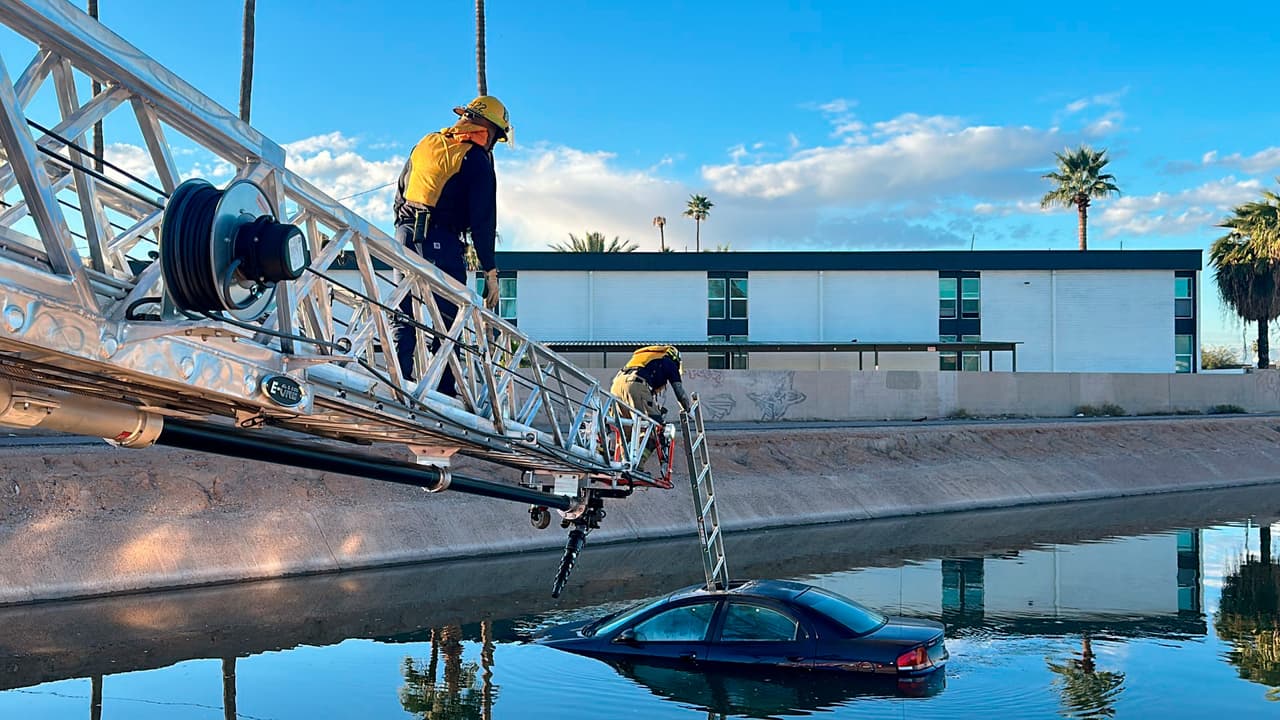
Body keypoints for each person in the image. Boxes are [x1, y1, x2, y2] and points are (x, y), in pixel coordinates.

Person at [392, 95, 512, 396]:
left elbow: (401, 190)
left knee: (402, 314)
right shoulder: (475, 160)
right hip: (442, 242)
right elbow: (483, 220)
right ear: (489, 130)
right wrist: (490, 270)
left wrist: (403, 229)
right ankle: (443, 394)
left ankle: (395, 382)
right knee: (449, 323)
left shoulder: (427, 143)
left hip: (404, 235)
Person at [610, 345, 693, 421]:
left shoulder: (647, 358)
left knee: (626, 429)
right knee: (652, 424)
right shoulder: (669, 362)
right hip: (635, 384)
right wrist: (687, 409)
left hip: (616, 386)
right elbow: (679, 391)